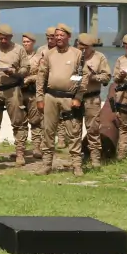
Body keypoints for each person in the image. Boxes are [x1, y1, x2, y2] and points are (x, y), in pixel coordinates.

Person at [36, 24, 87, 176]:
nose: (58, 38)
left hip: (69, 98)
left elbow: (83, 78)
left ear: (68, 37)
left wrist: (78, 97)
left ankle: (77, 165)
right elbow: (41, 77)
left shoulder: (77, 54)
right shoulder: (49, 54)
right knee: (48, 131)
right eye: (56, 35)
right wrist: (39, 97)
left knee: (74, 131)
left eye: (61, 35)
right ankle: (46, 165)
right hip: (50, 97)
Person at [0, 24, 30, 166]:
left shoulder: (19, 49)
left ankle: (20, 153)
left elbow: (26, 68)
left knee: (18, 122)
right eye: (1, 38)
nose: (3, 40)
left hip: (13, 90)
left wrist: (15, 72)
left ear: (11, 37)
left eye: (6, 38)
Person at [77, 33, 111, 168]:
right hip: (76, 97)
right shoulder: (73, 56)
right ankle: (77, 157)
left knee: (93, 129)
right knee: (75, 129)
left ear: (91, 46)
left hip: (92, 97)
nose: (83, 49)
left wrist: (93, 77)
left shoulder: (99, 57)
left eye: (86, 47)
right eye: (81, 46)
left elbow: (107, 77)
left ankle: (95, 157)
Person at [21, 32, 43, 159]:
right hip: (19, 93)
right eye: (24, 42)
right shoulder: (19, 56)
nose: (26, 44)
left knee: (35, 121)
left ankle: (36, 147)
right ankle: (21, 148)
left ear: (33, 43)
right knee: (20, 122)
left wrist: (30, 79)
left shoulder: (39, 58)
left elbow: (42, 74)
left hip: (32, 93)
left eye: (28, 42)